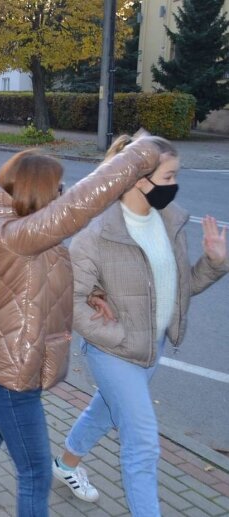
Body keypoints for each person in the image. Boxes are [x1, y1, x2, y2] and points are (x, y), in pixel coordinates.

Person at [0, 140, 161, 516]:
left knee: (0, 426)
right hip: (11, 371)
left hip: (7, 361)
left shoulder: (26, 231)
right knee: (34, 472)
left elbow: (42, 280)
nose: (63, 193)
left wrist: (91, 294)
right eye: (57, 187)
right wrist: (136, 157)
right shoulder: (16, 234)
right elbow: (76, 208)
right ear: (38, 191)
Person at [52, 135, 228, 516]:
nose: (174, 186)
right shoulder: (96, 234)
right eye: (168, 177)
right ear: (135, 177)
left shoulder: (169, 222)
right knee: (144, 443)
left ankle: (65, 464)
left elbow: (180, 289)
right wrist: (118, 336)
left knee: (106, 411)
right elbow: (70, 302)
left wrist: (214, 263)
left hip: (153, 346)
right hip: (114, 351)